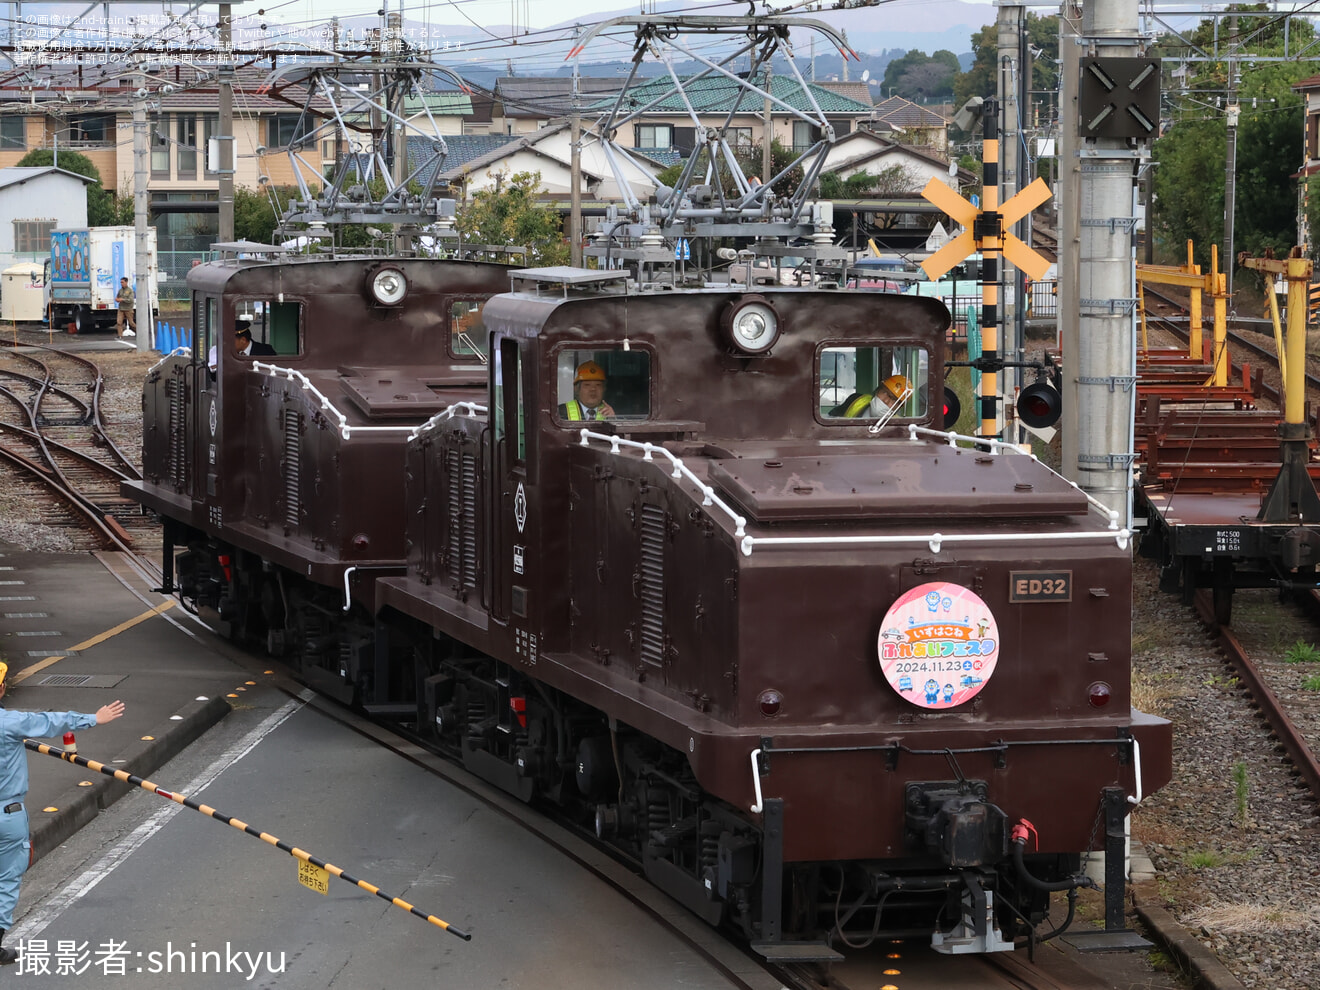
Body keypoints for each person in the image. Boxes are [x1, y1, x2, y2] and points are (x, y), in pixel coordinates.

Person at [0, 662, 124, 964]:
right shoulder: (9, 722)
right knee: (6, 879)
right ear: (1, 687)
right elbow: (50, 722)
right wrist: (94, 718)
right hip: (7, 814)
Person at [830, 374, 911, 418]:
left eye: (893, 400)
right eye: (885, 393)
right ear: (878, 390)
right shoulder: (856, 400)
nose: (886, 400)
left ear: (899, 407)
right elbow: (829, 419)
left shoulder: (897, 427)